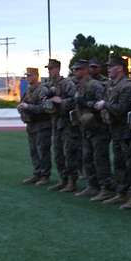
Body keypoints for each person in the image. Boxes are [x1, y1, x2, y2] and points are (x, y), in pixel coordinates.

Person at [94, 55, 131, 207]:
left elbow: (121, 109)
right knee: (119, 163)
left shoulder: (127, 86)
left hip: (126, 131)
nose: (108, 69)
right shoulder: (111, 85)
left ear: (120, 68)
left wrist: (105, 105)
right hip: (115, 130)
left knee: (130, 165)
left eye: (110, 66)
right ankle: (121, 193)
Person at [73, 58, 113, 200]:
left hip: (98, 127)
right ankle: (92, 186)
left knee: (100, 158)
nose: (75, 72)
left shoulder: (95, 85)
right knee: (87, 158)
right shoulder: (79, 86)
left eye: (77, 69)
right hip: (86, 127)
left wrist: (87, 103)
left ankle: (105, 188)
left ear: (85, 70)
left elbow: (102, 104)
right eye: (74, 69)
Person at [44, 59, 77, 192]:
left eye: (51, 69)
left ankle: (71, 181)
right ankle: (63, 179)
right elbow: (44, 98)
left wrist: (61, 101)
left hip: (67, 122)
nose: (49, 71)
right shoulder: (48, 84)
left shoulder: (67, 83)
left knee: (68, 152)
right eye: (48, 69)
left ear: (58, 69)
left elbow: (75, 100)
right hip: (55, 121)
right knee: (58, 153)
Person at [17, 67, 54, 185]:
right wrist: (21, 107)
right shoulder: (29, 90)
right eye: (27, 75)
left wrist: (28, 107)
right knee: (33, 151)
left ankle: (45, 175)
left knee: (42, 150)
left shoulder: (42, 90)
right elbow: (22, 103)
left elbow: (45, 107)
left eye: (29, 75)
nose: (27, 77)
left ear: (35, 76)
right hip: (31, 125)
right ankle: (37, 173)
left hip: (42, 125)